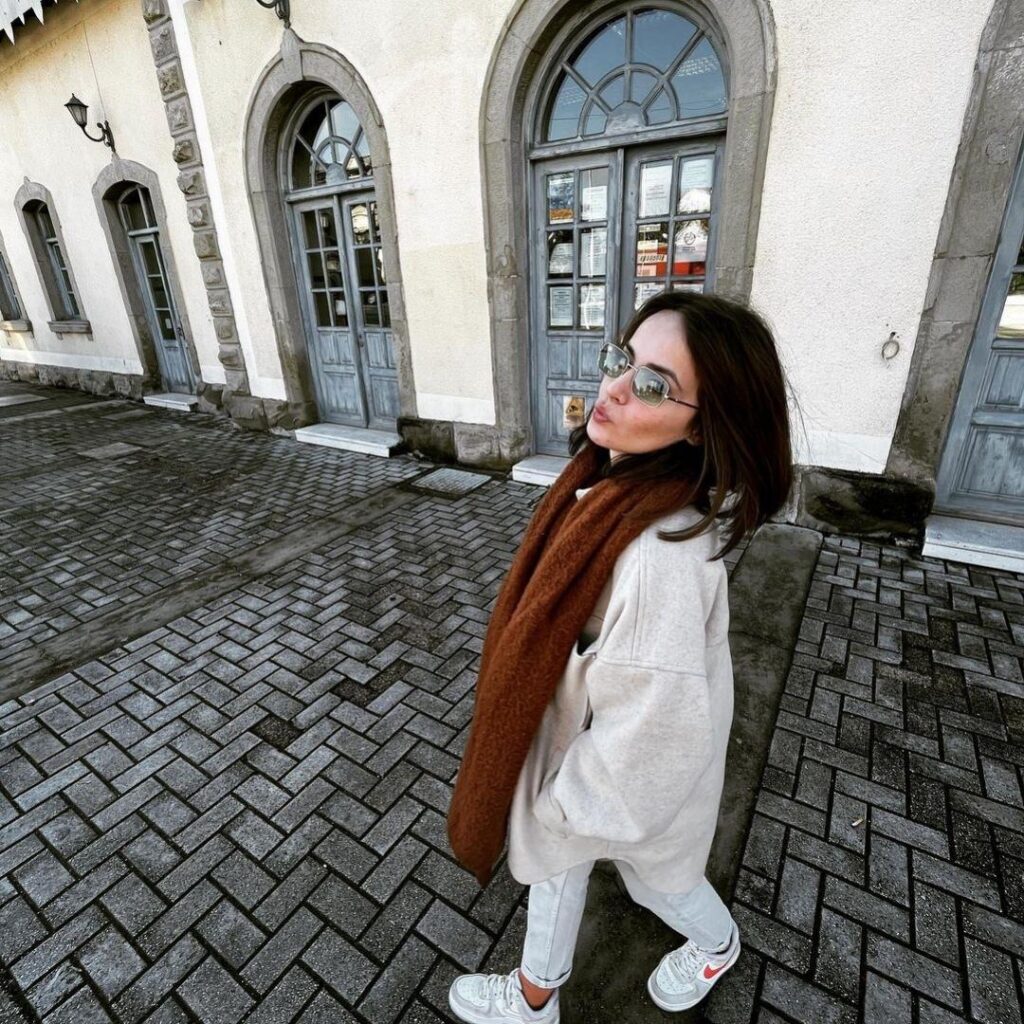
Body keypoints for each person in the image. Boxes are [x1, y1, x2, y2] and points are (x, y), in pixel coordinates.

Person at [445, 290, 794, 1022]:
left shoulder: (658, 553)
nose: (614, 388)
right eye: (622, 359)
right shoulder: (615, 485)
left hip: (625, 778)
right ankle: (536, 997)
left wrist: (557, 806)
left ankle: (718, 944)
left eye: (654, 386)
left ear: (702, 428)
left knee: (659, 882)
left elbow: (654, 738)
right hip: (583, 750)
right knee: (561, 871)